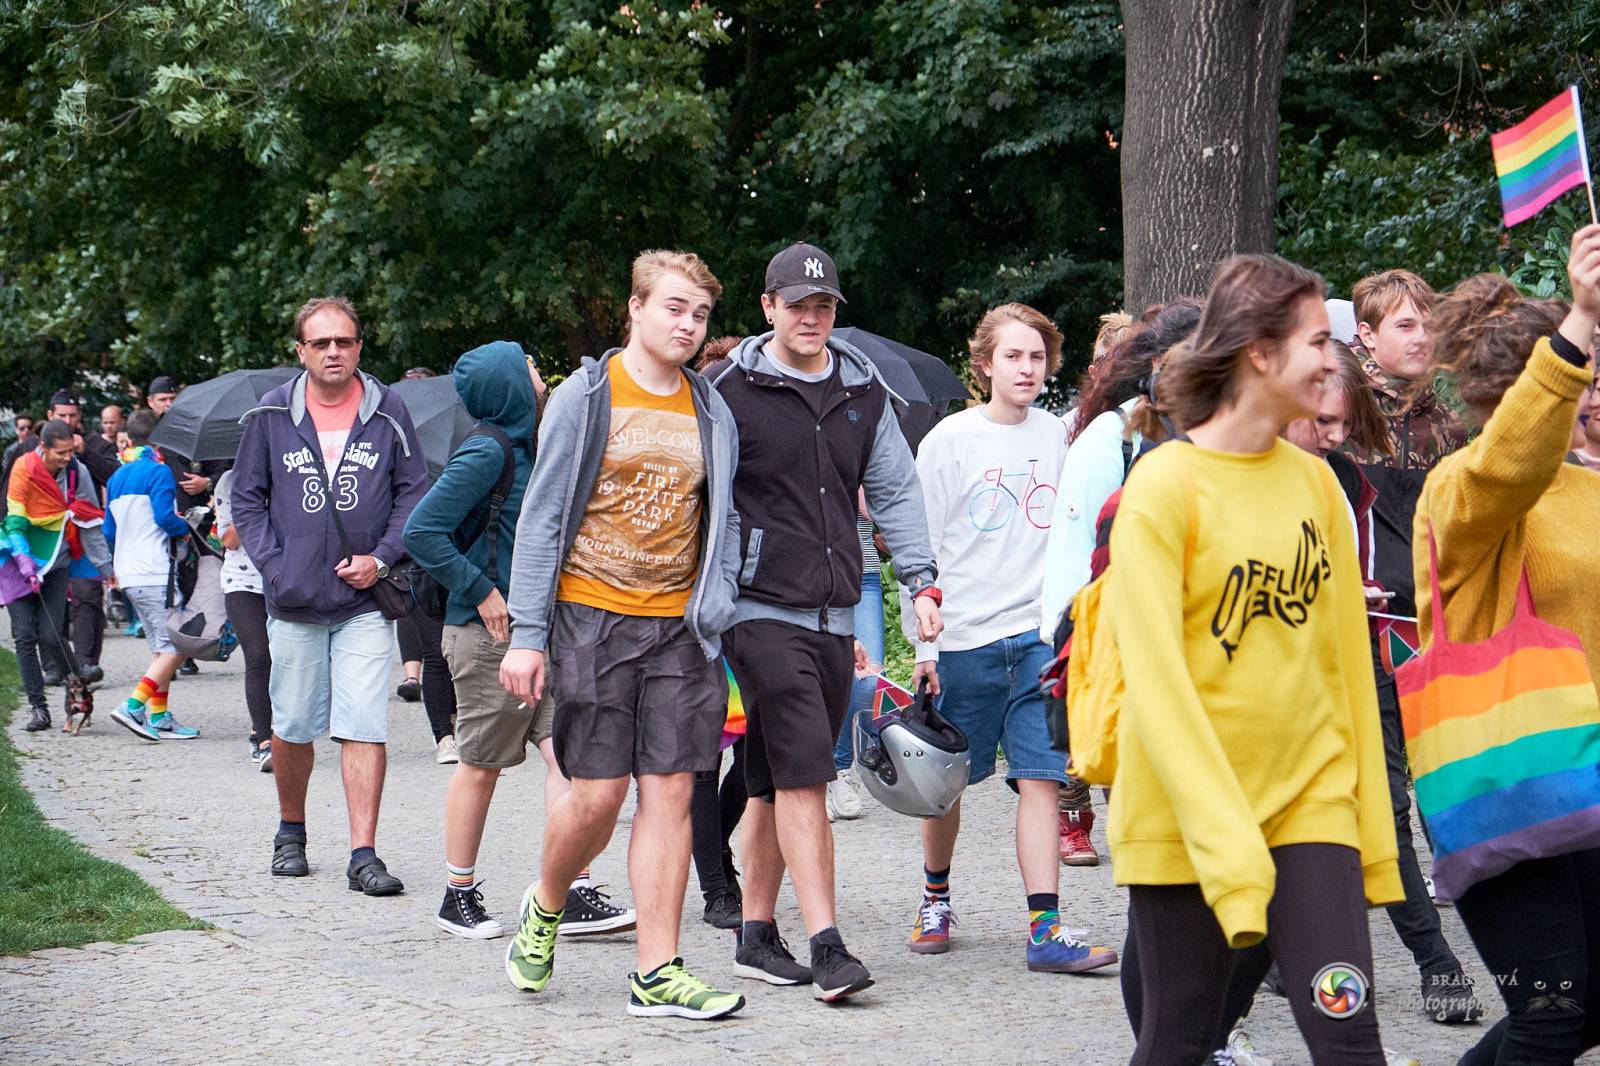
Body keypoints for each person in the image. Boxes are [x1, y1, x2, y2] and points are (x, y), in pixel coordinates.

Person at [1108, 254, 1402, 1063]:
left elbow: (1347, 667)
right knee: (1180, 1040)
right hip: (1186, 820)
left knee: (1351, 1039)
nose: (1333, 360)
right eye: (1317, 340)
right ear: (1261, 353)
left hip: (1310, 808)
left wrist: (1369, 827)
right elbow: (1158, 690)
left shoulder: (1318, 486)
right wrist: (1230, 846)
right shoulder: (1164, 488)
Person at [500, 251, 744, 1020]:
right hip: (591, 618)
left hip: (680, 628)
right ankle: (547, 902)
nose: (688, 324)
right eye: (674, 307)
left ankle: (657, 971)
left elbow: (725, 515)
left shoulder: (711, 409)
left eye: (699, 314)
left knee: (670, 793)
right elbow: (542, 517)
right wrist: (527, 635)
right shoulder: (586, 397)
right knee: (598, 797)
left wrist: (721, 598)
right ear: (635, 308)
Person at [711, 242, 942, 1002]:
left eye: (823, 306)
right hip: (757, 609)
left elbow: (895, 490)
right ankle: (828, 945)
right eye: (797, 305)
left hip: (836, 612)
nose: (811, 318)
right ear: (767, 307)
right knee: (809, 772)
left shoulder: (862, 391)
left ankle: (754, 935)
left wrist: (920, 581)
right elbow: (702, 496)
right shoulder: (728, 392)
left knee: (771, 780)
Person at [1414, 231, 1600, 1064]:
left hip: (1585, 775)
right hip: (1504, 774)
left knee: (1584, 1011)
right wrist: (1580, 321)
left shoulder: (1586, 486)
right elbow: (1512, 464)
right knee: (1551, 1015)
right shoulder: (1463, 488)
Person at [899, 302, 1117, 974]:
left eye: (1037, 357)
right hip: (963, 639)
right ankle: (936, 897)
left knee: (1042, 780)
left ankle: (1045, 928)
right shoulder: (950, 441)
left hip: (1037, 639)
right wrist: (925, 648)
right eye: (1013, 356)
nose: (1026, 368)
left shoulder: (1063, 437)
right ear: (985, 364)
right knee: (946, 786)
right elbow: (919, 547)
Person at [407, 340, 636, 942]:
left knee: (568, 759)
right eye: (530, 366)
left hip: (537, 635)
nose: (540, 375)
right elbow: (422, 531)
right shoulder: (488, 450)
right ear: (509, 381)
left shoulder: (528, 447)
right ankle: (456, 895)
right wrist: (481, 589)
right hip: (488, 637)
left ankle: (572, 890)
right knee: (481, 765)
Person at [230, 295, 427, 896]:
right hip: (293, 601)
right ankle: (290, 832)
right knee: (292, 724)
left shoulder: (388, 410)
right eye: (321, 343)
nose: (333, 351)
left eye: (344, 341)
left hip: (363, 602)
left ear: (359, 347)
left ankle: (363, 854)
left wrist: (382, 558)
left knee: (364, 722)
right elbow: (246, 499)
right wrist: (274, 565)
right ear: (301, 351)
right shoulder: (271, 413)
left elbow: (413, 493)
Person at [1347, 268, 1481, 1022]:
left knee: (1451, 795)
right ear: (1366, 335)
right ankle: (1438, 963)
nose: (1422, 336)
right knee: (1384, 806)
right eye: (1405, 324)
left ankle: (1273, 950)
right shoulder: (1334, 415)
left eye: (1428, 322)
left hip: (1436, 638)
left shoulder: (1450, 426)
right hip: (1355, 640)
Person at [1041, 302, 1203, 866]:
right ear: (1157, 364)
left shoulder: (1233, 438)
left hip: (1210, 655)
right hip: (1132, 648)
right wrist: (1072, 657)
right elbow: (1074, 556)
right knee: (1152, 831)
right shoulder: (1113, 436)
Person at [4, 420, 111, 731]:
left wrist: (106, 569)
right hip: (18, 559)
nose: (67, 457)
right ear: (44, 447)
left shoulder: (78, 472)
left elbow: (89, 521)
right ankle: (39, 709)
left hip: (57, 561)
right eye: (61, 453)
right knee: (24, 635)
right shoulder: (24, 468)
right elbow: (15, 518)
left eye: (71, 451)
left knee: (51, 635)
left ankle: (76, 691)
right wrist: (24, 561)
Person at [103, 410, 200, 741]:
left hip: (129, 572)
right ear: (159, 438)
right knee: (178, 646)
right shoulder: (159, 471)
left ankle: (159, 716)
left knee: (161, 648)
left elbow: (109, 530)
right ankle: (133, 705)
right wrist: (185, 525)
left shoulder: (117, 477)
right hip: (155, 571)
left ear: (129, 438)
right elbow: (164, 518)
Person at [824, 500, 881, 822]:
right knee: (818, 678)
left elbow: (880, 508)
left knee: (867, 678)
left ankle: (839, 767)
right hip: (813, 570)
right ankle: (819, 775)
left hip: (863, 571)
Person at [213, 467, 273, 770]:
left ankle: (269, 726)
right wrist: (257, 504)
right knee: (259, 656)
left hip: (285, 579)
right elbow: (229, 540)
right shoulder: (230, 481)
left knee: (287, 658)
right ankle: (264, 739)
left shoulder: (290, 470)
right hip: (243, 582)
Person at [394, 609, 457, 762]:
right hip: (425, 596)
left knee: (459, 651)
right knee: (435, 652)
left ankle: (454, 720)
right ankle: (444, 737)